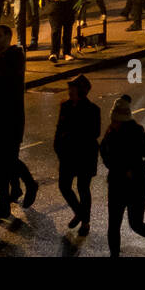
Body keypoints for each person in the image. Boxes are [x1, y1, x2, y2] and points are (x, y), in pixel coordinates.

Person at [0, 23, 37, 218]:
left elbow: (8, 83)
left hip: (11, 117)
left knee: (7, 160)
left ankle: (24, 187)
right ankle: (8, 199)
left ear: (8, 37)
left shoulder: (14, 57)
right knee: (0, 162)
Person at [100, 94, 145, 257]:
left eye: (116, 121)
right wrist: (110, 165)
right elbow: (103, 151)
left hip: (136, 186)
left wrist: (134, 171)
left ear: (124, 120)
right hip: (116, 185)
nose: (112, 123)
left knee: (135, 224)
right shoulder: (111, 132)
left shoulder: (137, 132)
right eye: (112, 120)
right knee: (113, 225)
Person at [53, 73, 101, 235]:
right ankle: (80, 212)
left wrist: (72, 134)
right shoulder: (65, 106)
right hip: (67, 154)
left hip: (85, 155)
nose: (69, 91)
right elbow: (59, 128)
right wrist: (58, 146)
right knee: (64, 186)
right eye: (69, 88)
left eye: (72, 88)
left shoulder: (93, 110)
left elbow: (94, 132)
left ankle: (85, 223)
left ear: (81, 91)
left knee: (83, 188)